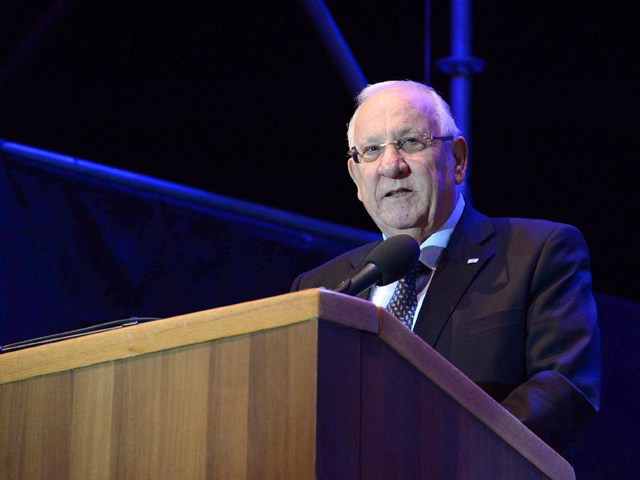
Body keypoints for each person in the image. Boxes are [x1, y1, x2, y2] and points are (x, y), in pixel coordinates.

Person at [290, 79, 601, 457]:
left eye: (410, 142)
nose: (392, 165)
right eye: (371, 150)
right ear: (356, 177)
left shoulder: (536, 253)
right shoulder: (321, 287)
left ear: (457, 159)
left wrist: (457, 455)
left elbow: (565, 385)